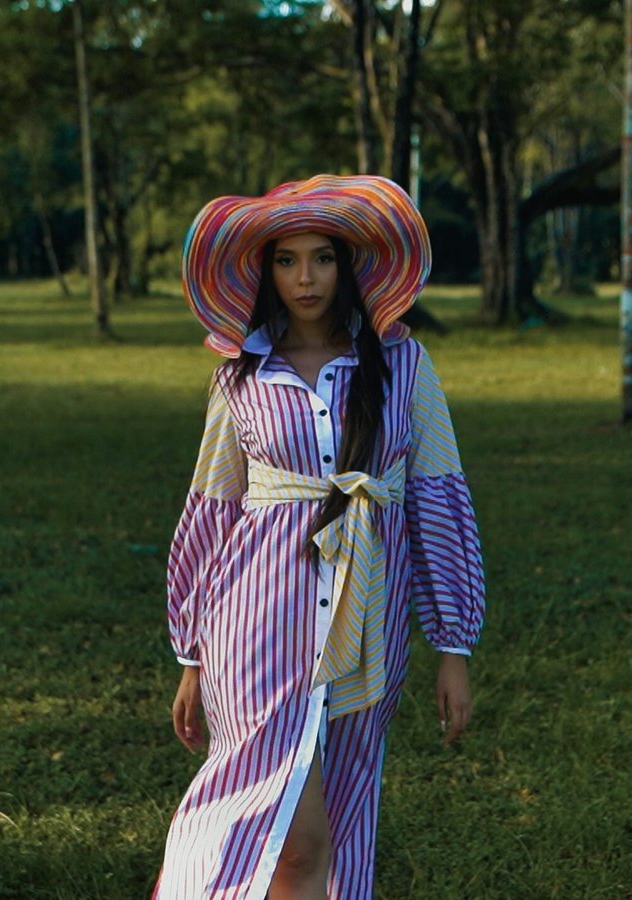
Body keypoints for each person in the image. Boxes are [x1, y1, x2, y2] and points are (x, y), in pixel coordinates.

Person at [155, 175, 486, 900]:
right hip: (254, 623)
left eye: (322, 259)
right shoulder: (240, 378)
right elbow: (211, 512)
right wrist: (190, 654)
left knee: (340, 822)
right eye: (286, 261)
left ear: (348, 267)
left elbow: (438, 504)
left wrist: (453, 646)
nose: (305, 278)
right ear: (265, 272)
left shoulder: (405, 368)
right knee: (285, 836)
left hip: (368, 620)